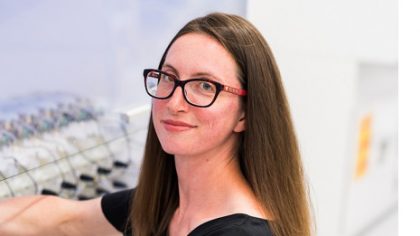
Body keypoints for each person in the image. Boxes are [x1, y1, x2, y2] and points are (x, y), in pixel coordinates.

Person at [0, 12, 312, 236]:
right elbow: (61, 220)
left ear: (245, 114)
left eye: (205, 86)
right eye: (169, 78)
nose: (174, 103)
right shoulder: (166, 207)